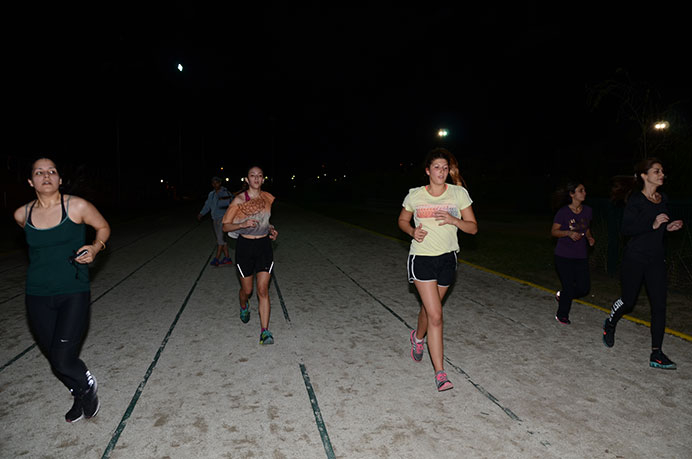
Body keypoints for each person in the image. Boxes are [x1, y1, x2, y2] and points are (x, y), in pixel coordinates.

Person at [13, 158, 111, 422]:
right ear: (30, 181)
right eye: (39, 172)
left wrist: (94, 247)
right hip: (37, 294)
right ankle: (79, 393)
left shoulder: (77, 206)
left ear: (59, 179)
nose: (46, 176)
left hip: (73, 290)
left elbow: (103, 227)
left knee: (63, 358)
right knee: (54, 358)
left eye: (52, 171)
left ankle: (87, 385)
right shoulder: (22, 214)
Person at [398, 148, 477, 391]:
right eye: (436, 168)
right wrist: (412, 231)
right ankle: (440, 373)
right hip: (422, 258)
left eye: (444, 168)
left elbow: (473, 228)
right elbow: (402, 220)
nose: (441, 172)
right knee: (436, 315)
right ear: (427, 171)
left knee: (428, 309)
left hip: (447, 259)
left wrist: (454, 220)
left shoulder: (458, 194)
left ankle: (417, 338)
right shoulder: (415, 195)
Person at [602, 158, 683, 369]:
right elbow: (626, 229)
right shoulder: (636, 200)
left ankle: (656, 353)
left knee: (659, 306)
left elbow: (658, 229)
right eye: (657, 171)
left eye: (662, 170)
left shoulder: (662, 198)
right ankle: (610, 322)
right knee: (628, 301)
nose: (661, 174)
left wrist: (668, 227)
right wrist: (652, 223)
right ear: (645, 176)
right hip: (635, 258)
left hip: (656, 259)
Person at [222, 166, 278, 344]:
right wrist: (242, 224)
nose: (256, 178)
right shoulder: (238, 200)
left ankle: (264, 332)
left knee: (263, 290)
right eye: (252, 176)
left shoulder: (267, 198)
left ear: (263, 180)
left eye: (259, 176)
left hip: (264, 246)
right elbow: (225, 226)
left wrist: (271, 229)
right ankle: (243, 305)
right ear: (246, 180)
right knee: (248, 290)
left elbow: (265, 220)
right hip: (245, 247)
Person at [550, 181, 595, 324]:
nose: (584, 193)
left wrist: (589, 237)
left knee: (584, 288)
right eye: (581, 190)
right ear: (572, 194)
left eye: (585, 190)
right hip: (563, 255)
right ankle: (562, 315)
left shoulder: (588, 210)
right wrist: (568, 233)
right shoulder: (563, 212)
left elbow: (586, 227)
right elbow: (554, 232)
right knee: (569, 285)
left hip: (580, 255)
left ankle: (563, 295)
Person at [197, 176, 233, 266]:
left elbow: (231, 205)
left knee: (220, 239)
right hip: (215, 219)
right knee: (221, 239)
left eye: (216, 182)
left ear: (220, 183)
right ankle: (227, 258)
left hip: (223, 219)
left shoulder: (225, 193)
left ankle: (216, 258)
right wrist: (201, 213)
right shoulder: (211, 194)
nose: (215, 184)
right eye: (213, 183)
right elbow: (207, 205)